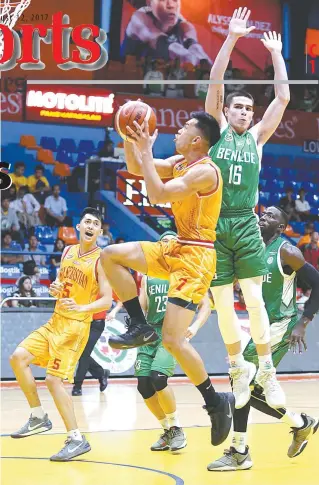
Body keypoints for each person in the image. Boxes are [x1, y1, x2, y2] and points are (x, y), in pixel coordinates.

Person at [100, 111, 236, 448]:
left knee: (174, 340)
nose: (177, 130)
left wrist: (146, 152)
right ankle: (139, 324)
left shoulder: (205, 172)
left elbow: (158, 195)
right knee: (110, 254)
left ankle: (215, 402)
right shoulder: (180, 161)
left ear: (196, 140)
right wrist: (133, 140)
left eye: (184, 128)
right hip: (176, 245)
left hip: (197, 256)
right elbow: (135, 168)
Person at [205, 7, 290, 409]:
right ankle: (237, 366)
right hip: (213, 225)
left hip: (244, 223)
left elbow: (284, 97)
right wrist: (232, 38)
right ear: (226, 111)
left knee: (253, 300)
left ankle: (268, 370)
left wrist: (275, 53)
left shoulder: (256, 139)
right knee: (224, 301)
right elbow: (216, 81)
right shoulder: (217, 131)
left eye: (249, 109)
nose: (244, 112)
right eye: (238, 107)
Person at [206, 207, 319, 470]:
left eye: (270, 216)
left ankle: (239, 451)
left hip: (281, 324)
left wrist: (303, 322)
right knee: (248, 388)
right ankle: (300, 424)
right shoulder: (251, 247)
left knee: (241, 380)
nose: (262, 217)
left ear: (281, 228)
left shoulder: (287, 251)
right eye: (263, 214)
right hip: (261, 327)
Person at [9, 207, 112, 461]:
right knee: (18, 358)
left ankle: (76, 438)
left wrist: (83, 307)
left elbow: (107, 300)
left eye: (95, 223)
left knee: (54, 381)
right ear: (79, 226)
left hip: (75, 327)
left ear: (99, 231)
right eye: (86, 221)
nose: (90, 225)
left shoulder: (102, 260)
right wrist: (55, 288)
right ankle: (38, 416)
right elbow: (60, 284)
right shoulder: (67, 251)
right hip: (55, 321)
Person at [135, 231, 210, 452]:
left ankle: (176, 427)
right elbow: (142, 306)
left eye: (171, 242)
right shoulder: (148, 275)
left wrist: (194, 326)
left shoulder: (187, 273)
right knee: (144, 385)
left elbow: (205, 305)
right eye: (163, 242)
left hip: (171, 334)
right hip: (150, 333)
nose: (167, 245)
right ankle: (167, 429)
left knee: (158, 378)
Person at [123, 0, 212, 65]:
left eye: (175, 0)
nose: (171, 5)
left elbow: (197, 50)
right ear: (149, 2)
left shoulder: (185, 26)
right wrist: (196, 61)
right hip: (132, 80)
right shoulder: (139, 18)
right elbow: (171, 48)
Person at [72, 302, 110, 397]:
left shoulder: (104, 287)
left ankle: (78, 385)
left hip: (96, 324)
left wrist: (114, 311)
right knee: (79, 353)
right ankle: (101, 373)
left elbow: (118, 299)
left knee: (83, 353)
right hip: (80, 322)